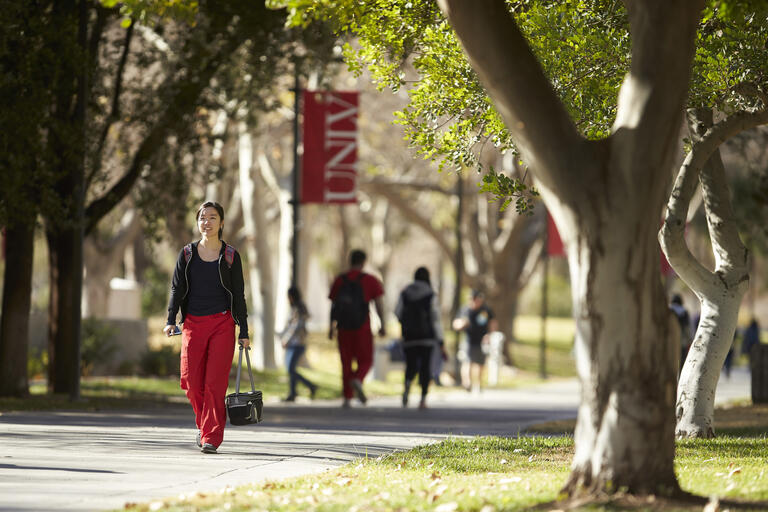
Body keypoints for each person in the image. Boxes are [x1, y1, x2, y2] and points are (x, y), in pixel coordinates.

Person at [164, 201, 249, 454]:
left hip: (222, 324)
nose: (207, 222)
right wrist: (170, 319)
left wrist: (243, 331)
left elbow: (239, 295)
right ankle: (204, 424)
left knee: (214, 383)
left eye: (213, 218)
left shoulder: (231, 256)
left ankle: (211, 435)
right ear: (197, 222)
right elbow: (176, 288)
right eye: (202, 218)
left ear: (221, 223)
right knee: (190, 381)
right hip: (192, 324)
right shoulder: (187, 254)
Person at [328, 249, 386, 408]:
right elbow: (379, 304)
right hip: (363, 327)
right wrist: (382, 324)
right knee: (366, 360)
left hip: (343, 328)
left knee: (346, 362)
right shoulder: (370, 280)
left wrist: (331, 327)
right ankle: (358, 379)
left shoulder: (340, 280)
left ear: (350, 261)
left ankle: (347, 397)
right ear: (364, 262)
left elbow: (333, 305)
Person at [394, 267, 446, 409]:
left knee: (410, 364)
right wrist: (441, 339)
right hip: (427, 337)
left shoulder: (405, 293)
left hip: (409, 336)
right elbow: (436, 319)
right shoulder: (430, 294)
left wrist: (406, 326)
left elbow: (397, 313)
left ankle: (407, 384)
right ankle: (423, 399)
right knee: (425, 366)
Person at [452, 290, 497, 392]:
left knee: (480, 363)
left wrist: (490, 335)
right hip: (468, 339)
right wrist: (461, 324)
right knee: (467, 361)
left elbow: (493, 322)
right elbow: (455, 323)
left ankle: (479, 383)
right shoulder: (465, 310)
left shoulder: (485, 310)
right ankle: (467, 383)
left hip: (482, 340)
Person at [279, 286, 318, 402]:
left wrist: (286, 338)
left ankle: (310, 386)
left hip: (297, 342)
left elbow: (295, 326)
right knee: (290, 368)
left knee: (291, 369)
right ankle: (293, 393)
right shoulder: (297, 308)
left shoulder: (298, 308)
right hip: (295, 342)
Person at [670, 293, 692, 371]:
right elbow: (687, 328)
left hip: (669, 341)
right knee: (681, 362)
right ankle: (679, 380)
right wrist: (690, 340)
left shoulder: (668, 310)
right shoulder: (684, 312)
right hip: (682, 341)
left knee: (670, 362)